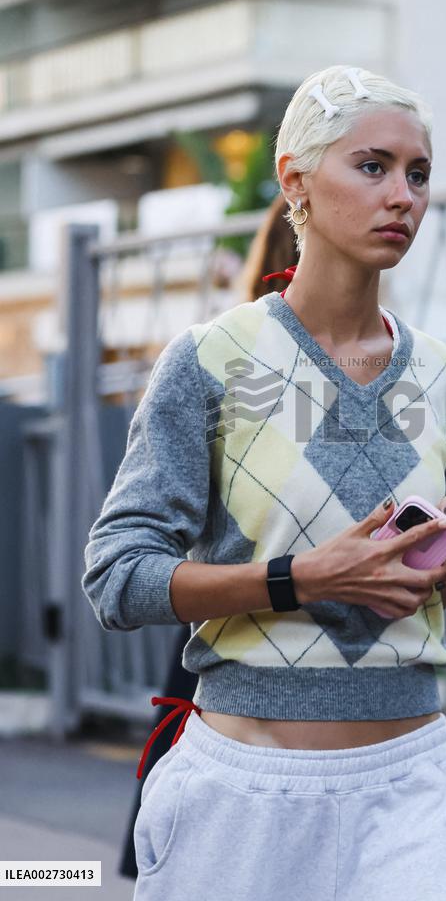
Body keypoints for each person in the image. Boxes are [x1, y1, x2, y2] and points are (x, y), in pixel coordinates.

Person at [83, 64, 446, 901]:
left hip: (414, 786)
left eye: (418, 174)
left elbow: (406, 592)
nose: (402, 197)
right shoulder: (211, 359)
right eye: (372, 166)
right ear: (295, 181)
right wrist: (298, 577)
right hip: (243, 794)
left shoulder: (442, 375)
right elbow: (115, 578)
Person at [118, 193, 300, 880]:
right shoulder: (240, 362)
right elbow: (121, 569)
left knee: (191, 851)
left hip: (214, 622)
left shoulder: (220, 352)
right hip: (268, 626)